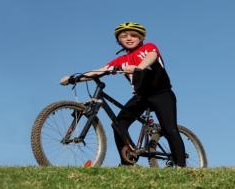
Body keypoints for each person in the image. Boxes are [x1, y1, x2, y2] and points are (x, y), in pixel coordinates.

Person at [60, 22, 187, 166]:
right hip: (141, 97)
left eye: (133, 35)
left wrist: (139, 67)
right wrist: (74, 78)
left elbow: (152, 56)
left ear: (141, 38)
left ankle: (181, 166)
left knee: (169, 128)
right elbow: (100, 70)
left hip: (161, 93)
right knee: (118, 125)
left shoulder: (148, 48)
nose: (129, 38)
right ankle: (127, 164)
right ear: (119, 40)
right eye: (123, 36)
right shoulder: (122, 60)